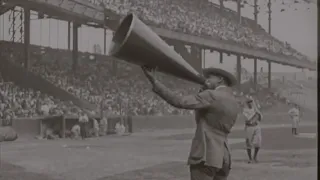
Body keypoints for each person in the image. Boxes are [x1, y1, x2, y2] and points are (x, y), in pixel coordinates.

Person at [141, 66, 240, 180]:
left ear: (220, 79)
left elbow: (179, 101)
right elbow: (207, 118)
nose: (206, 79)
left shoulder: (211, 95)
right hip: (224, 156)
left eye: (209, 77)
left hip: (206, 154)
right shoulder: (233, 100)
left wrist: (155, 81)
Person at [242, 99, 263, 163]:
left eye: (251, 102)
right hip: (249, 127)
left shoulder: (255, 109)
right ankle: (250, 158)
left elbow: (260, 118)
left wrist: (258, 113)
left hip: (256, 126)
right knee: (249, 142)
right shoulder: (245, 111)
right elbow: (249, 120)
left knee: (258, 142)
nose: (250, 103)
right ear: (247, 103)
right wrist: (255, 114)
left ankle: (255, 157)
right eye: (249, 102)